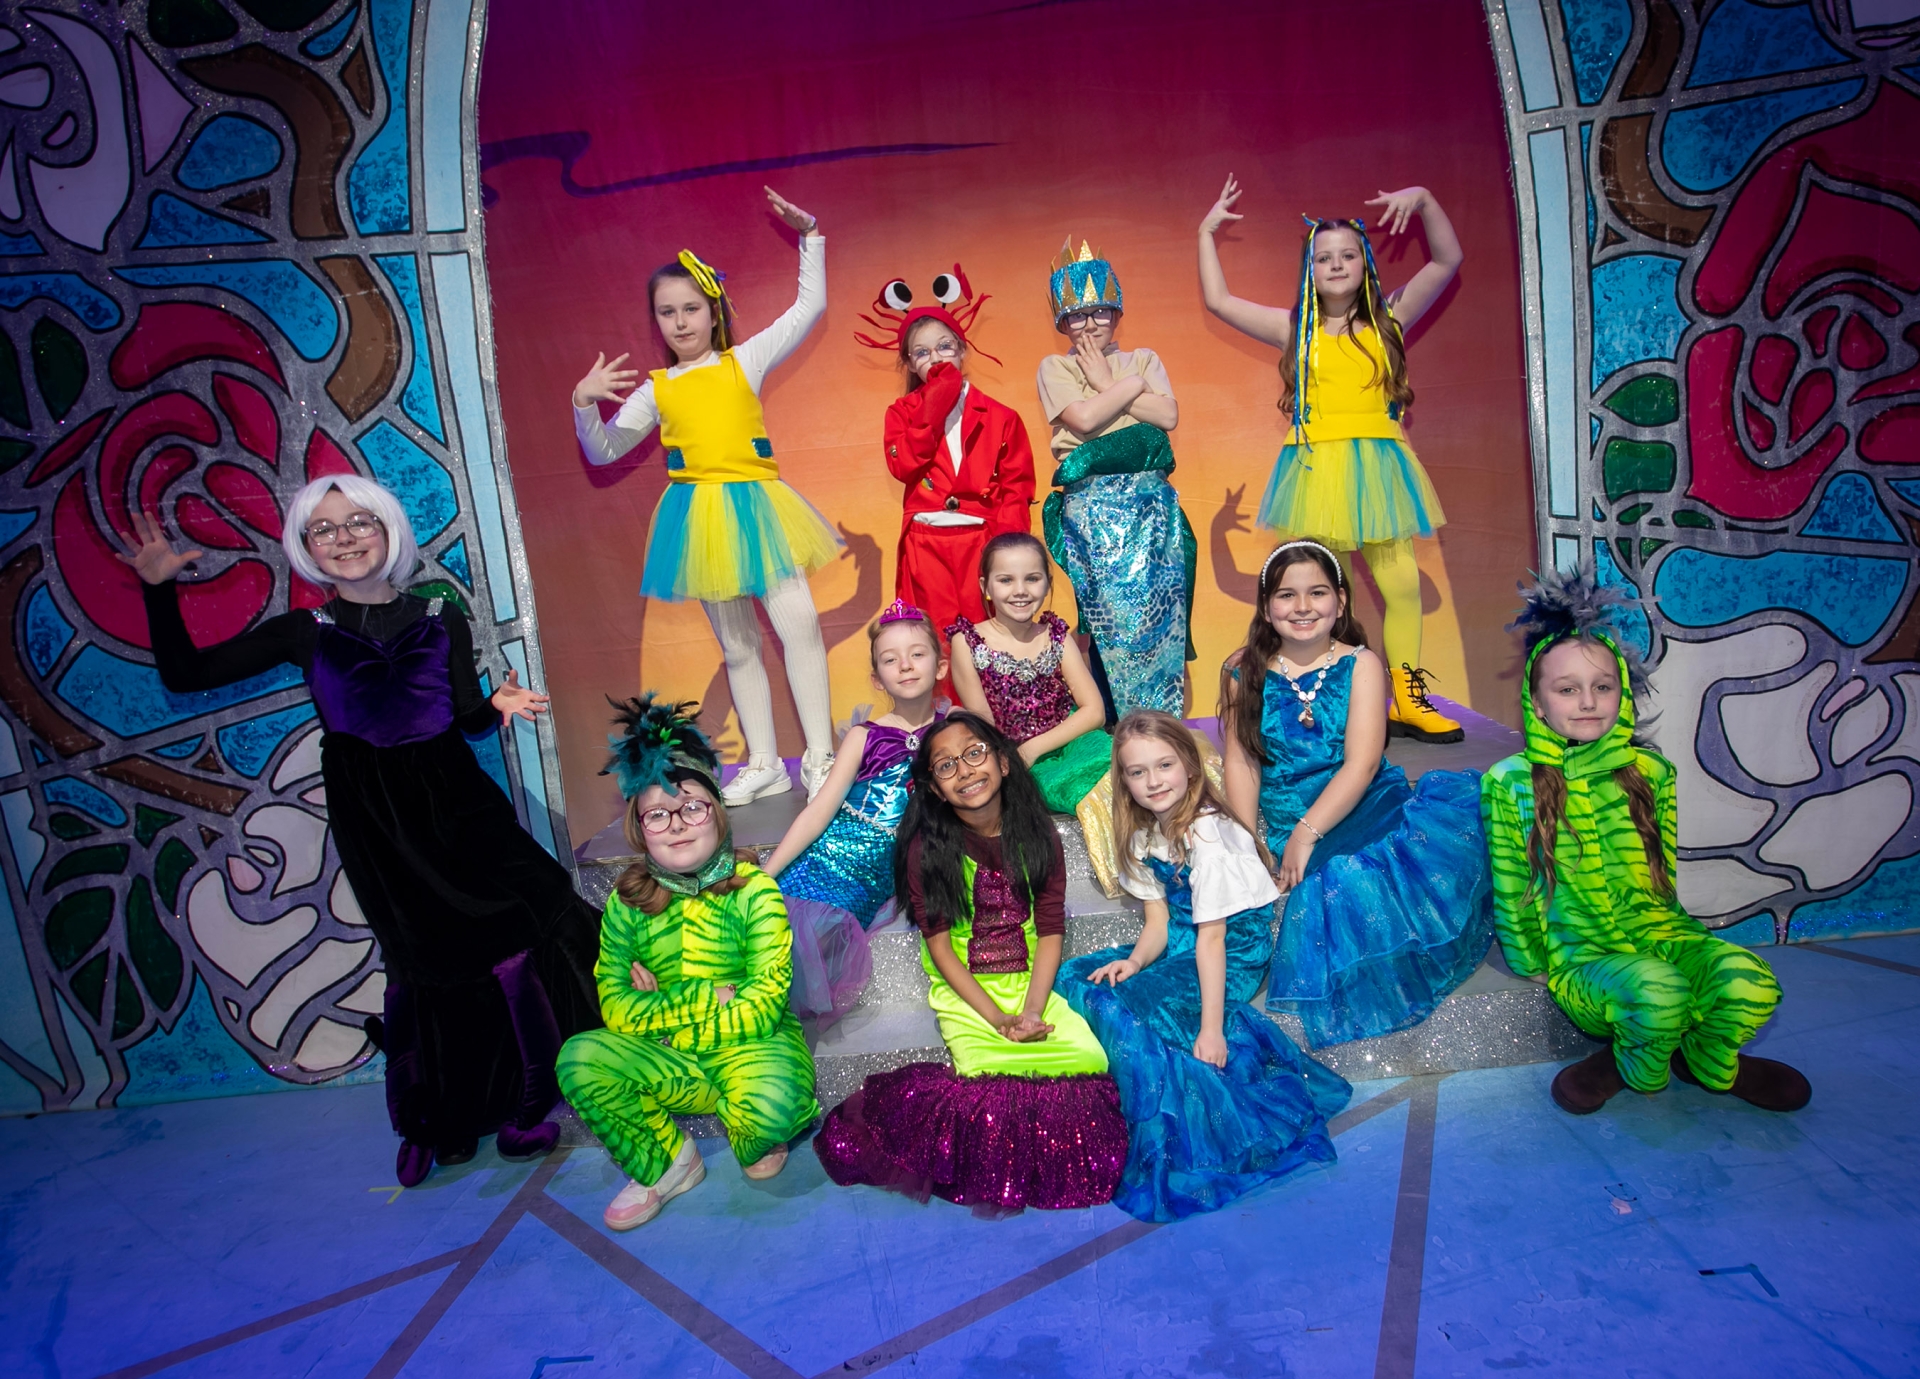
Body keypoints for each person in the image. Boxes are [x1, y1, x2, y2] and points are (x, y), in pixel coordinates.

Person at [120, 477, 601, 1187]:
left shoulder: (440, 613)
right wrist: (158, 589)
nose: (344, 538)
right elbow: (187, 674)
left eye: (359, 522)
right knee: (425, 960)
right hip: (377, 819)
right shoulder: (304, 631)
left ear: (389, 530)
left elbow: (464, 715)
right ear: (307, 547)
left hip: (458, 802)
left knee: (532, 919)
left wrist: (493, 704)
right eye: (325, 529)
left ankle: (531, 1099)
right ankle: (446, 1116)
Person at [1482, 569, 1811, 1116]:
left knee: (1751, 983)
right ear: (1537, 703)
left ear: (1622, 693)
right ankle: (1630, 1061)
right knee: (1657, 994)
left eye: (1602, 686)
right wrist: (1531, 963)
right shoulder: (1511, 781)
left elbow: (1664, 870)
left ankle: (1708, 1059)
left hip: (1661, 934)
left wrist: (1680, 941)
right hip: (1582, 956)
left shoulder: (1651, 772)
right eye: (1567, 690)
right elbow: (1513, 884)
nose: (1588, 701)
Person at [572, 185, 840, 804]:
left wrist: (811, 237)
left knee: (799, 625)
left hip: (759, 507)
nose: (681, 322)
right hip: (699, 517)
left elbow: (809, 307)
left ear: (712, 310)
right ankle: (765, 762)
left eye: (691, 308)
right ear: (656, 321)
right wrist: (583, 405)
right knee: (739, 645)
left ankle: (821, 756)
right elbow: (603, 450)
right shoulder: (657, 388)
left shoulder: (744, 360)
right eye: (667, 312)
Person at [813, 713, 1127, 1213]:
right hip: (967, 989)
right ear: (935, 789)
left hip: (1029, 981)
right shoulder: (926, 849)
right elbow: (940, 950)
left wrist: (1032, 1010)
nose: (964, 770)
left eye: (974, 754)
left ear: (1003, 762)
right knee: (989, 1082)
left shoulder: (1039, 835)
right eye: (946, 765)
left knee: (1085, 1061)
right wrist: (999, 1020)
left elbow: (1050, 929)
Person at [1199, 176, 1466, 743]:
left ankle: (1408, 700)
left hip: (1379, 472)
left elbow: (1447, 260)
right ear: (1310, 269)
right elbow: (1219, 302)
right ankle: (1332, 699)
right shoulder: (1293, 329)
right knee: (1322, 596)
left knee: (1403, 589)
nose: (1337, 265)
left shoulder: (1391, 318)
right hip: (1317, 474)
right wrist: (1206, 233)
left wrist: (1424, 199)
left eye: (1347, 255)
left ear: (1365, 263)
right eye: (1324, 258)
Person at [1057, 712, 1350, 1221]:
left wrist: (1211, 1030)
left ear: (1190, 766)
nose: (1153, 781)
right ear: (1124, 780)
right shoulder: (1144, 832)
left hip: (1232, 953)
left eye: (1164, 765)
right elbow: (1157, 923)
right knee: (1079, 977)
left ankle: (1161, 1116)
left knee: (1130, 1008)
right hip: (1181, 942)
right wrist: (1134, 961)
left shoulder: (1209, 834)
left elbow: (1213, 939)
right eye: (1137, 772)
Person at [557, 696, 821, 1230]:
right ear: (640, 827)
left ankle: (750, 1126)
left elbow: (762, 1006)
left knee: (773, 1105)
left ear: (717, 814)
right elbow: (614, 1005)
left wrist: (661, 1011)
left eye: (692, 807)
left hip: (749, 1048)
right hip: (675, 1060)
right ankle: (667, 1163)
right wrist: (708, 998)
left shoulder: (755, 892)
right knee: (579, 1058)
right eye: (658, 814)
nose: (677, 824)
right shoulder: (626, 904)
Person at [1220, 541, 1492, 1048]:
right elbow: (1241, 761)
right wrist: (1246, 839)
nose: (1303, 606)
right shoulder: (1243, 670)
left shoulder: (1360, 663)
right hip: (1288, 812)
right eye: (1286, 595)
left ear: (1341, 601)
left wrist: (1305, 835)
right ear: (1266, 607)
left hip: (1360, 803)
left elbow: (1362, 763)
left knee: (1345, 881)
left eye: (1318, 592)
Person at [762, 601, 945, 1021]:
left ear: (940, 666)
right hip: (834, 853)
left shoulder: (954, 728)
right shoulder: (865, 736)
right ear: (877, 678)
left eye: (917, 654)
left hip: (883, 870)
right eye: (890, 659)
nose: (905, 665)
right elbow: (819, 811)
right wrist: (765, 874)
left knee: (823, 935)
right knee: (777, 926)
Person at [1036, 240, 1197, 720]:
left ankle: (1165, 727)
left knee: (1161, 614)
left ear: (1117, 314)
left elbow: (1167, 416)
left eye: (1100, 313)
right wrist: (1130, 392)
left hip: (1150, 506)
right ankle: (1115, 728)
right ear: (1062, 323)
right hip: (1093, 510)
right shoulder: (1056, 366)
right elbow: (1083, 421)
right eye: (1077, 317)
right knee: (1106, 619)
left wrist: (1109, 383)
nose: (1090, 325)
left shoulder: (1143, 359)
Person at [858, 266, 1035, 675]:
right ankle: (944, 716)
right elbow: (904, 466)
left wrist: (1007, 556)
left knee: (989, 643)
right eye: (922, 353)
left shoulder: (1002, 416)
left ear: (962, 349)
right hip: (927, 544)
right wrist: (932, 408)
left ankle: (991, 715)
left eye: (944, 347)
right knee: (935, 644)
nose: (936, 358)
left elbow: (1016, 488)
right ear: (909, 363)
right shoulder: (901, 413)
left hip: (982, 544)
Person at [946, 533, 1120, 895]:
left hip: (1069, 741)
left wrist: (1034, 747)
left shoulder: (1056, 636)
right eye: (1006, 580)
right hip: (1011, 756)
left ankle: (1144, 874)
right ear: (986, 587)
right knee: (1067, 787)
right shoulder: (968, 642)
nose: (1020, 591)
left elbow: (1094, 711)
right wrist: (1017, 756)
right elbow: (983, 725)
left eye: (1032, 578)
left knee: (1122, 768)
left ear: (1048, 583)